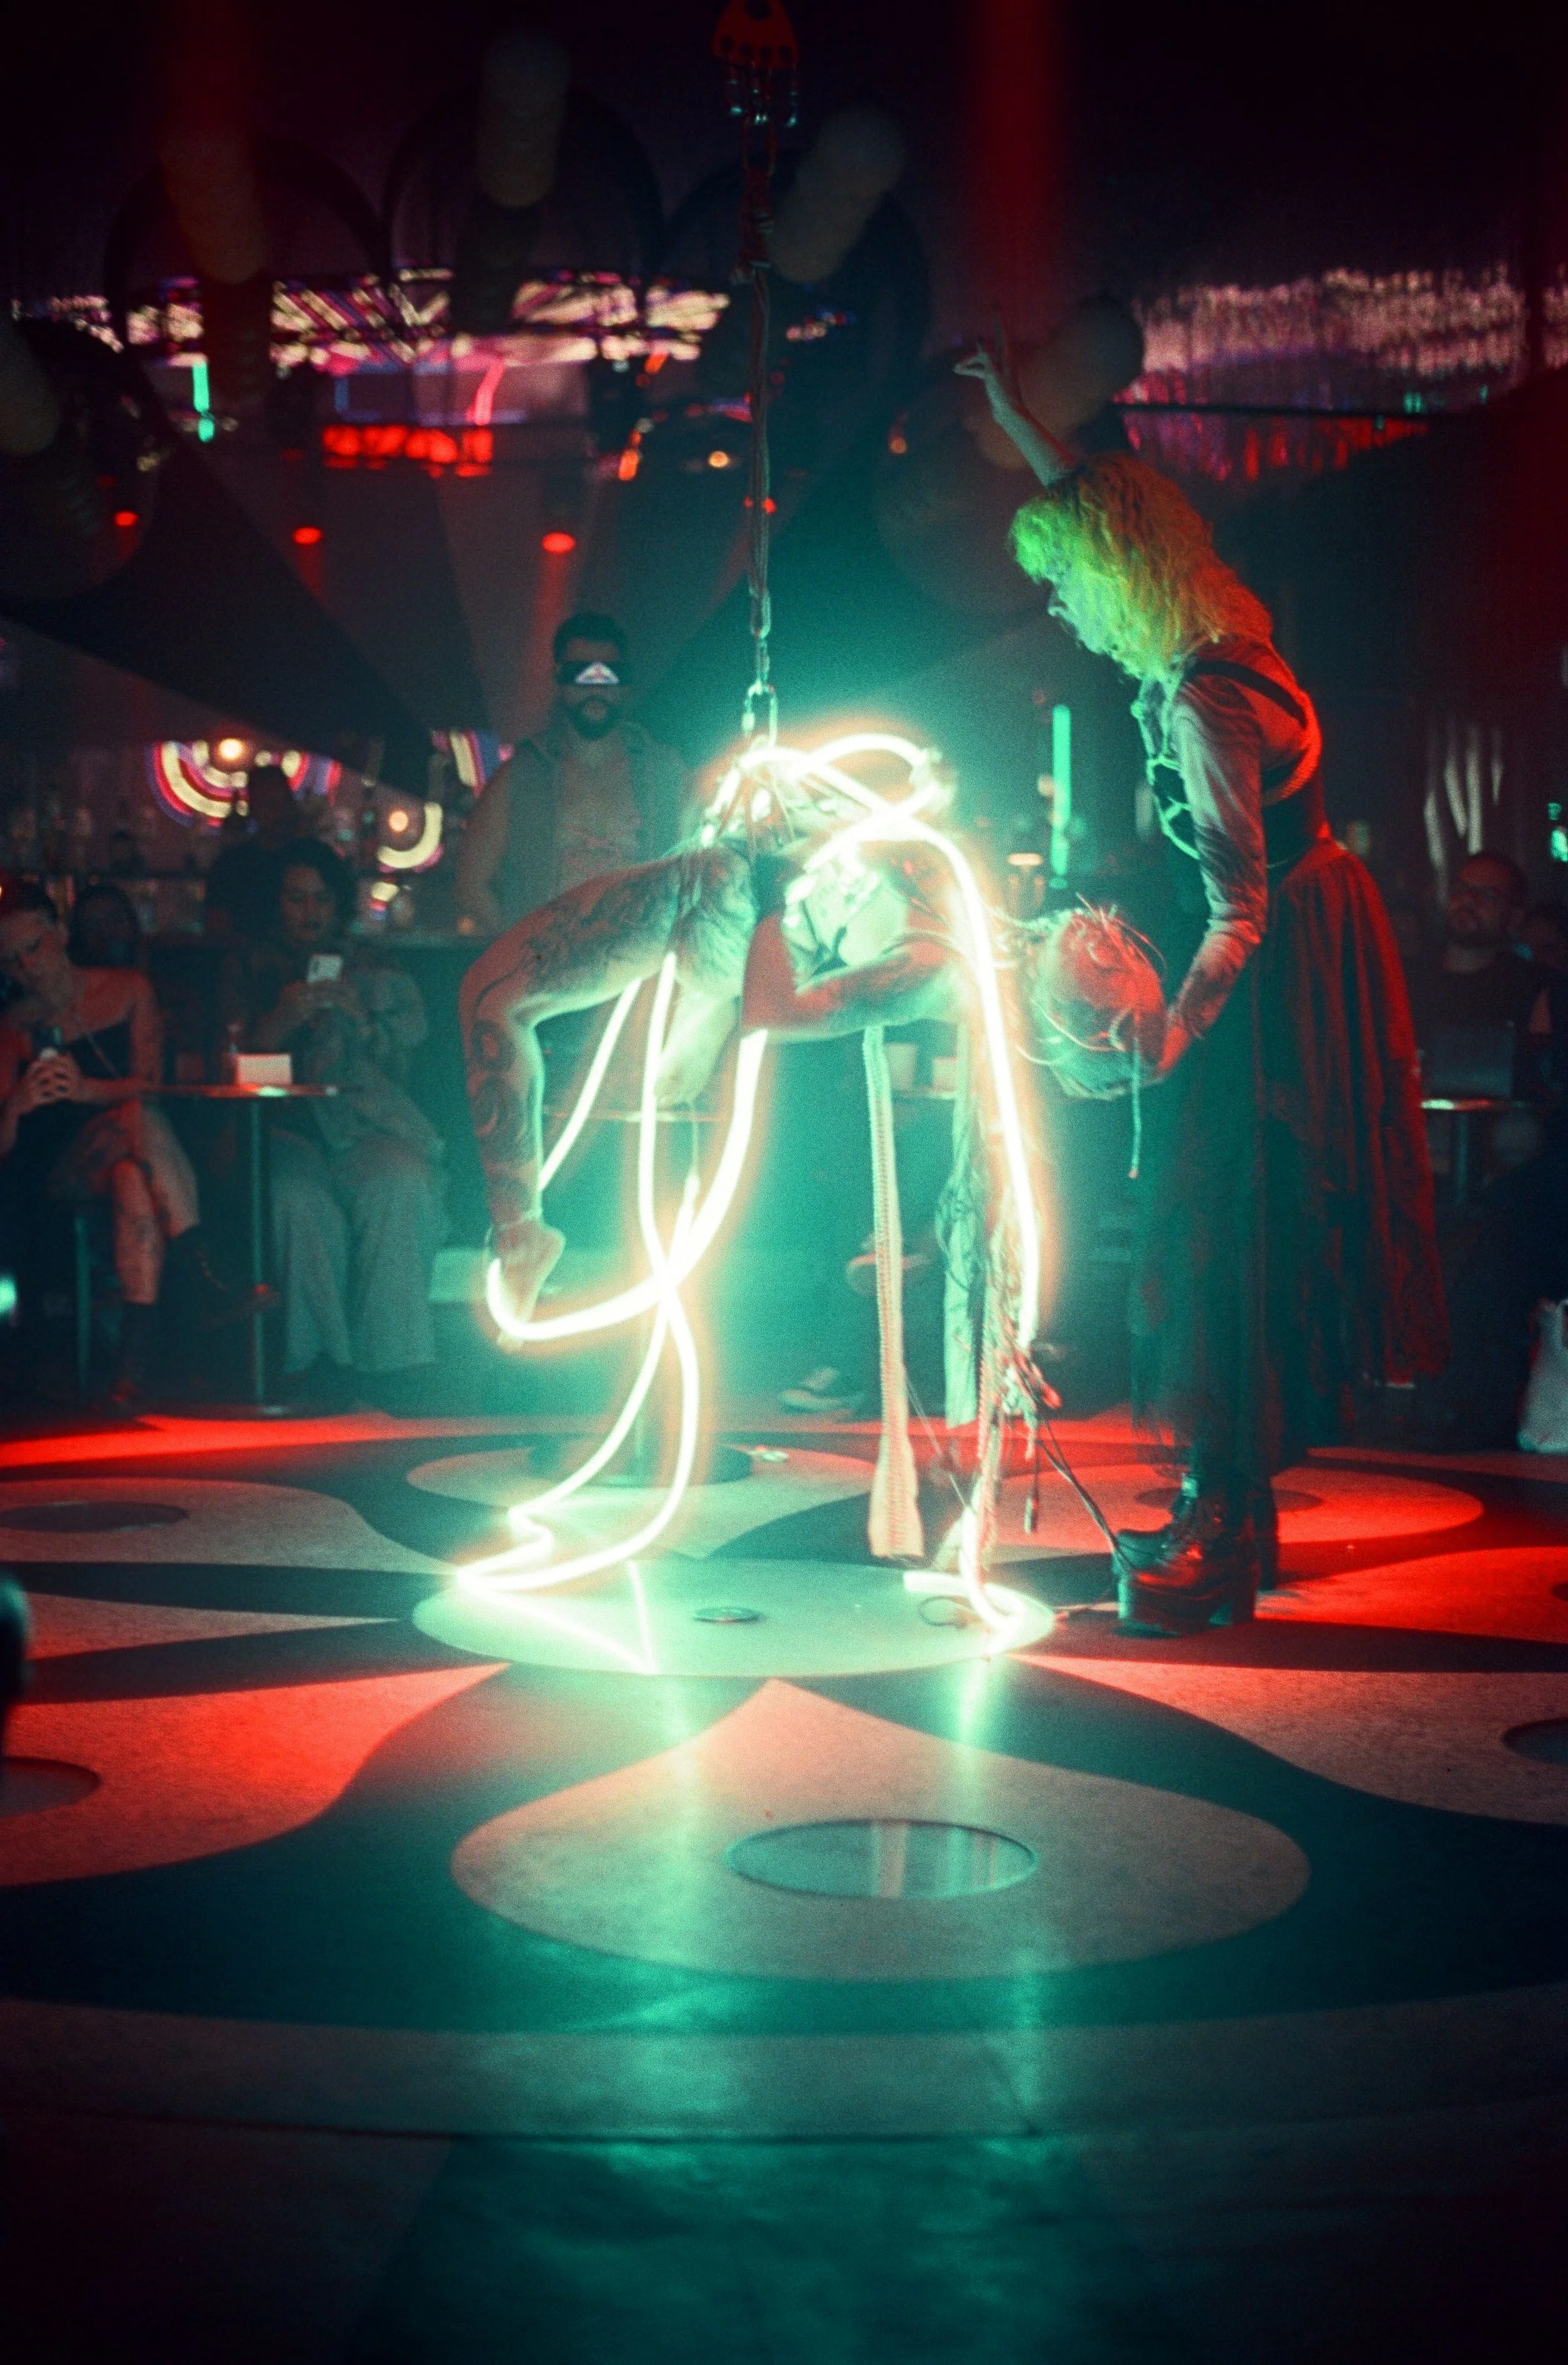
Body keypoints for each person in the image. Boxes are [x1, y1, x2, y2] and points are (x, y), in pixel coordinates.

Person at [962, 339, 1446, 1632]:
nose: (1060, 607)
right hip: (1305, 938)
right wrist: (1018, 407)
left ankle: (1219, 1524)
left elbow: (1235, 908)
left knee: (1217, 1223)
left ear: (1113, 577)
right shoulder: (1224, 615)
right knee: (1237, 1222)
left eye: (1065, 584)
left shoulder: (1197, 698)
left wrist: (1167, 1041)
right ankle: (1234, 1505)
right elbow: (1101, 496)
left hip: (1267, 971)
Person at [0, 876, 258, 1404]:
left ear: (58, 933)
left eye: (34, 947)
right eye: (10, 960)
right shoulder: (12, 1025)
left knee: (133, 1172)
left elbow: (153, 1084)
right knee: (138, 1123)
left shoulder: (126, 989)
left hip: (136, 1150)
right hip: (55, 1170)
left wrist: (85, 1088)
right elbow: (3, 1148)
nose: (29, 967)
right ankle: (203, 1271)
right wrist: (18, 1102)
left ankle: (129, 1372)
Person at [227, 842, 447, 1405]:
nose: (309, 911)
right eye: (296, 897)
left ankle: (396, 1364)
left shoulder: (375, 968)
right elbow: (225, 1070)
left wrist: (364, 1021)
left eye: (321, 898)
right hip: (282, 1129)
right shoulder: (245, 966)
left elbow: (412, 1066)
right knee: (298, 1196)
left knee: (402, 1180)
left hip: (361, 1124)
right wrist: (280, 1020)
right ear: (274, 903)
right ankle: (321, 1361)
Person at [455, 612, 691, 934]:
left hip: (640, 969)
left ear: (625, 682)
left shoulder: (664, 771)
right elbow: (470, 885)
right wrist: (522, 954)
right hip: (550, 973)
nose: (596, 687)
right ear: (559, 677)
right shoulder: (522, 776)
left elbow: (700, 876)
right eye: (582, 673)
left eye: (609, 675)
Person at [203, 765, 314, 941]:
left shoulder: (317, 859)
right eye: (270, 804)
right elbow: (217, 933)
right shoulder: (231, 866)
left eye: (285, 802)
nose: (280, 811)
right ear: (253, 809)